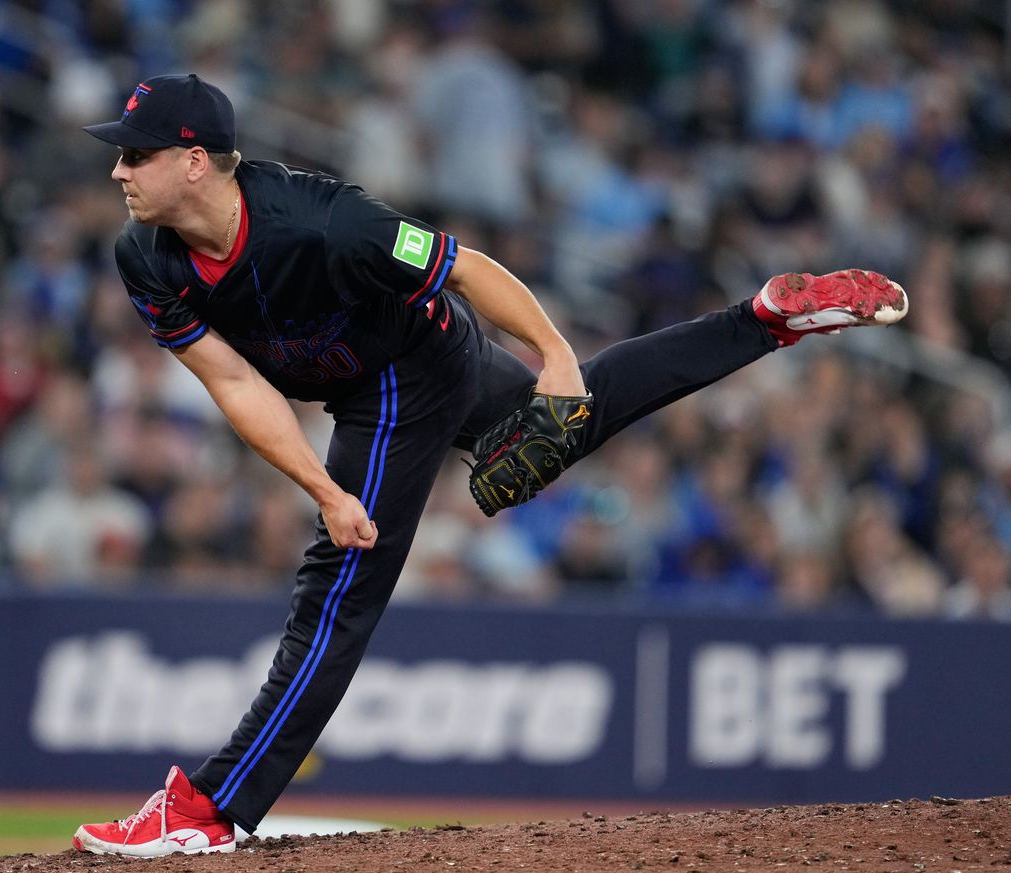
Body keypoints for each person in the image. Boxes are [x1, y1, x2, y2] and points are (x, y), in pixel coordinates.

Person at [71, 73, 909, 858]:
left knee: (336, 594)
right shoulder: (144, 255)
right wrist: (324, 488)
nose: (118, 170)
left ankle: (208, 811)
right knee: (561, 436)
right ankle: (764, 320)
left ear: (192, 162)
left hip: (405, 366)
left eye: (134, 153)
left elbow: (463, 267)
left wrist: (552, 352)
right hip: (383, 377)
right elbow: (234, 381)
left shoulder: (325, 220)